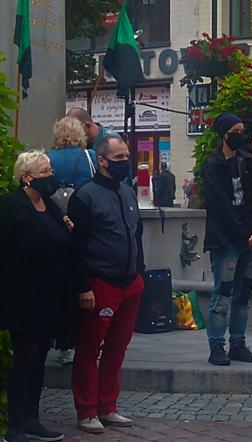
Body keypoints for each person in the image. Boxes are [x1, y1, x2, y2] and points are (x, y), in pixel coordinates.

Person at [67, 136, 145, 434]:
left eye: (127, 154)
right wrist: (82, 285)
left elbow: (136, 234)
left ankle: (108, 405)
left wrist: (140, 272)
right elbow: (75, 246)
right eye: (119, 156)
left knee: (118, 347)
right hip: (100, 282)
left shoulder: (127, 192)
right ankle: (87, 409)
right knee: (89, 349)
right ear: (102, 160)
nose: (125, 160)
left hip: (130, 282)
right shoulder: (84, 196)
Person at [0, 151, 72, 442]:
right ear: (26, 177)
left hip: (49, 296)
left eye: (50, 170)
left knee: (40, 359)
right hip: (22, 297)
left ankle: (32, 418)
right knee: (25, 359)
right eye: (43, 172)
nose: (50, 176)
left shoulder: (52, 206)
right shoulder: (10, 207)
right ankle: (14, 426)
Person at [202, 113, 252, 366]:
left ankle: (238, 343)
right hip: (226, 241)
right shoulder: (213, 166)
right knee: (223, 294)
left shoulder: (247, 161)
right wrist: (242, 234)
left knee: (243, 294)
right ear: (224, 134)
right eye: (236, 130)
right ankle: (216, 346)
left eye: (243, 130)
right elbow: (221, 207)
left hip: (248, 241)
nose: (240, 135)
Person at [47, 116, 98, 366]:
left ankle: (62, 343)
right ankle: (84, 340)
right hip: (84, 220)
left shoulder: (48, 159)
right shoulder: (89, 157)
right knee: (83, 279)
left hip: (55, 221)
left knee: (60, 283)